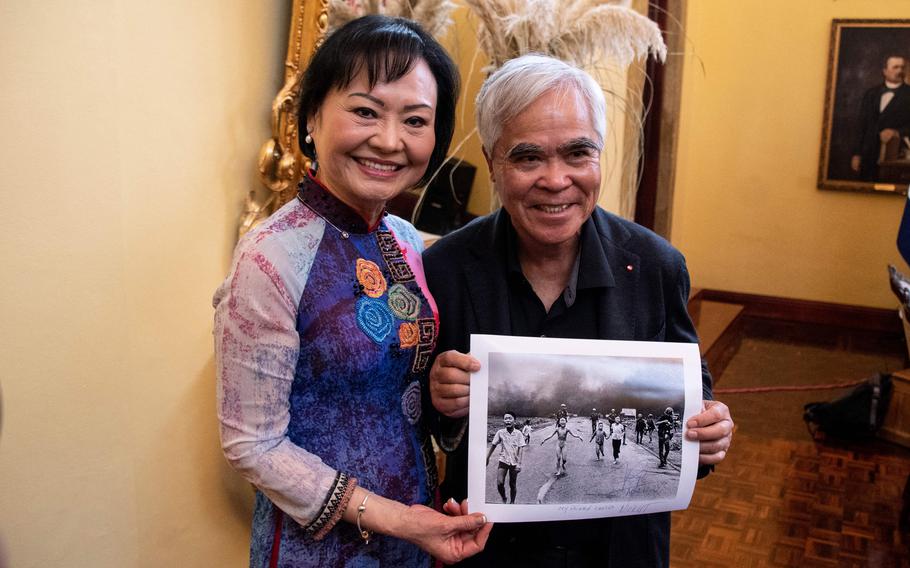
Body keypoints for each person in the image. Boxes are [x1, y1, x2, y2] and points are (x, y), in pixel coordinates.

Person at [424, 54, 733, 566]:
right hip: (489, 552)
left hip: (620, 553)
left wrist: (710, 433)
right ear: (493, 160)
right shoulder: (446, 269)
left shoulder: (657, 266)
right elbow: (416, 425)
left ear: (600, 155)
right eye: (527, 158)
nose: (555, 179)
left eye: (577, 153)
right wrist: (441, 402)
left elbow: (695, 406)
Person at [213, 16, 491, 567]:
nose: (389, 141)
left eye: (415, 120)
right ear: (312, 117)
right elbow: (252, 444)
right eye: (365, 111)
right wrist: (396, 518)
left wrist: (443, 395)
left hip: (415, 530)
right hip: (314, 547)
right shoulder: (269, 256)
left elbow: (399, 391)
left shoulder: (408, 241)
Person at [851, 54, 910, 180]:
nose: (900, 71)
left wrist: (896, 132)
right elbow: (861, 125)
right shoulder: (871, 94)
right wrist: (857, 154)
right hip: (868, 155)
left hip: (895, 157)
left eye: (902, 67)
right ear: (885, 71)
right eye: (895, 67)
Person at [486, 412, 525, 504]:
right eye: (506, 418)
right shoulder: (500, 433)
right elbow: (493, 445)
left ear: (514, 421)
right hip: (503, 461)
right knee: (500, 483)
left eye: (510, 418)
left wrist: (519, 464)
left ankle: (512, 502)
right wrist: (487, 458)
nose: (507, 420)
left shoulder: (519, 433)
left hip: (514, 463)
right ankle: (504, 497)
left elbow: (521, 448)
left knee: (512, 484)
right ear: (504, 421)